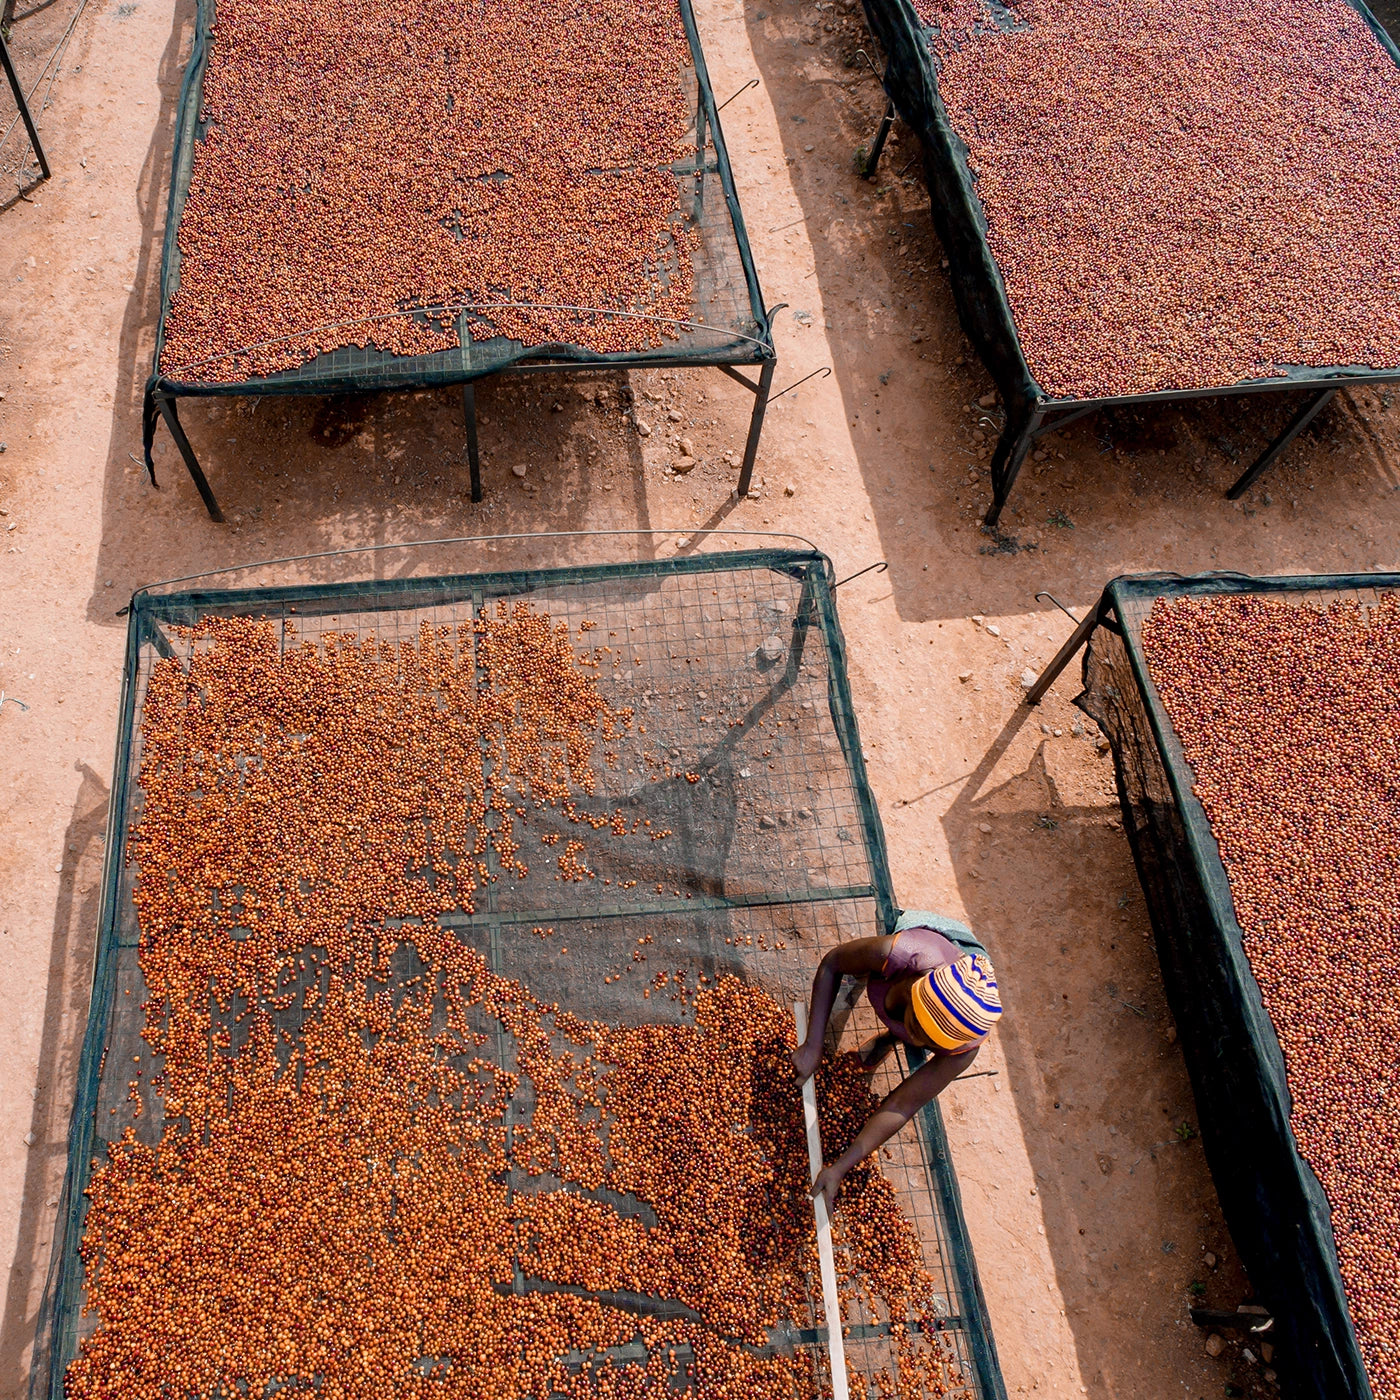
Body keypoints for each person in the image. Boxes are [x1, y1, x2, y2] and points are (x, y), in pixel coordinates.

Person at [792, 910, 1002, 1208]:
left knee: (910, 1036)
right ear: (913, 988)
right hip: (940, 946)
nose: (917, 1043)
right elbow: (833, 963)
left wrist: (840, 1167)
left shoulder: (962, 1048)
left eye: (929, 1044)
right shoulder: (897, 953)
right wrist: (813, 1046)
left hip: (965, 992)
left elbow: (903, 1104)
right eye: (914, 1027)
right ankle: (876, 998)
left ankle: (888, 1038)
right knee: (860, 965)